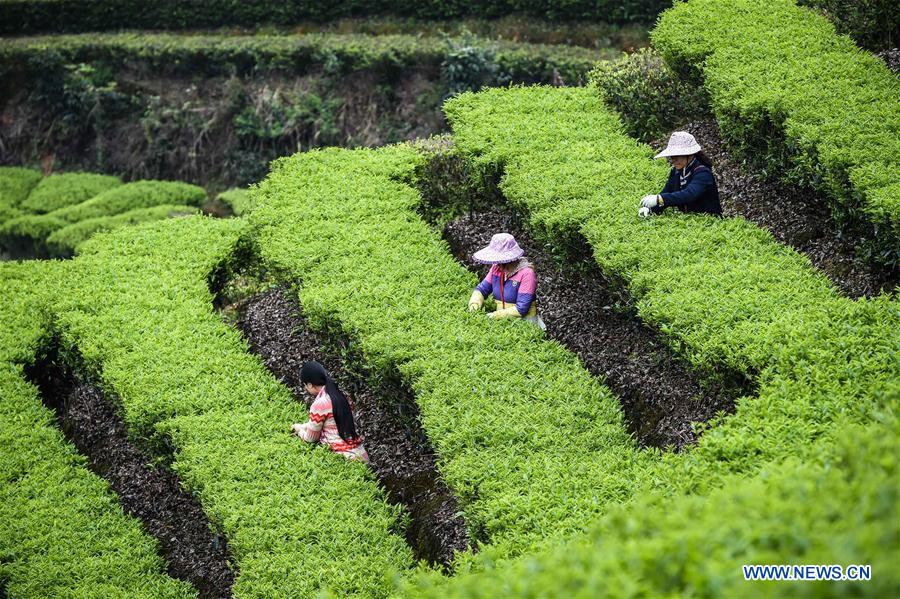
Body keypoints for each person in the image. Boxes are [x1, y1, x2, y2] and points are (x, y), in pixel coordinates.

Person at [291, 361, 369, 463]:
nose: (305, 388)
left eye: (305, 385)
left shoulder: (320, 404)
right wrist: (304, 426)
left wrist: (299, 430)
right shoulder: (341, 394)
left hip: (344, 457)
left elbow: (311, 438)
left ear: (310, 385)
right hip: (362, 454)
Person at [468, 233, 546, 330]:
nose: (498, 264)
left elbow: (522, 308)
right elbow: (482, 289)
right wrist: (474, 304)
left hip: (525, 325)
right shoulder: (496, 269)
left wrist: (494, 315)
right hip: (504, 323)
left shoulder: (527, 273)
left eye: (502, 261)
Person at [638, 131, 722, 217]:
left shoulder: (703, 173)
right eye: (672, 156)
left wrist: (659, 199)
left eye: (677, 156)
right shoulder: (676, 172)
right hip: (689, 221)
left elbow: (690, 194)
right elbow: (667, 192)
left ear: (689, 154)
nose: (674, 160)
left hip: (710, 221)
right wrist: (650, 210)